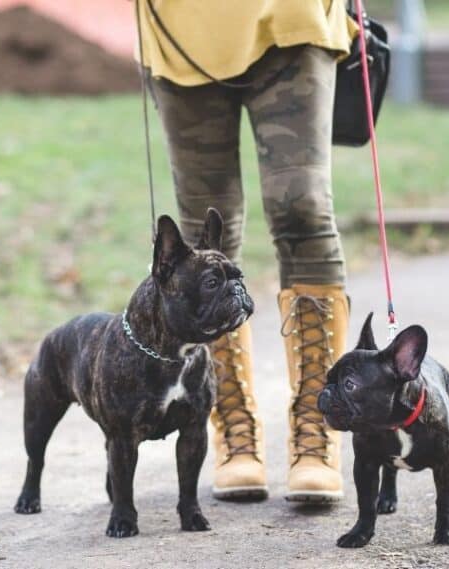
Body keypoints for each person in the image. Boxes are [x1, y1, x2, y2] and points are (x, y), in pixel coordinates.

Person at [136, 0, 357, 503]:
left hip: (292, 19)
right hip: (181, 29)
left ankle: (317, 429)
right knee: (202, 229)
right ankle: (232, 427)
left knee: (303, 207)